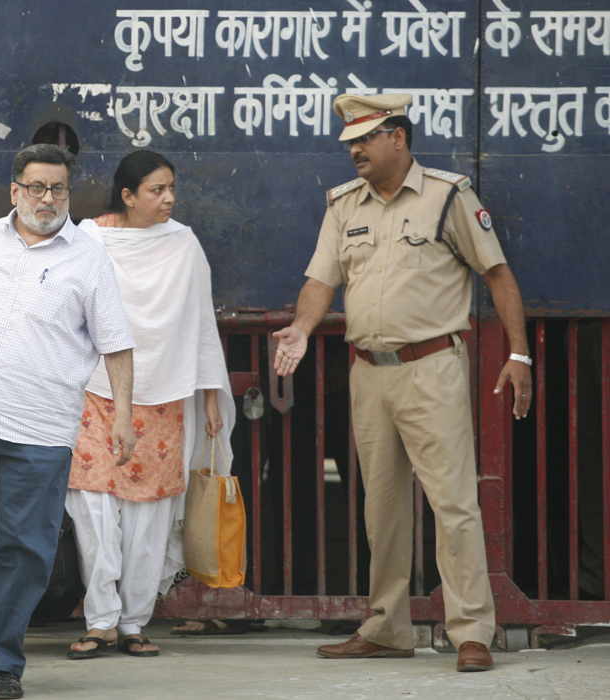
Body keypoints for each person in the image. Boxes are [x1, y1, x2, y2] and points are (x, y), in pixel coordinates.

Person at [273, 93, 532, 673]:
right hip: (369, 373)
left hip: (432, 367)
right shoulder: (343, 205)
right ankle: (387, 626)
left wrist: (519, 353)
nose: (355, 151)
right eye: (349, 143)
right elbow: (321, 279)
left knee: (453, 503)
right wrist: (300, 327)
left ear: (398, 137)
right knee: (381, 507)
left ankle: (471, 630)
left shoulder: (447, 196)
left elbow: (497, 274)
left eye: (365, 139)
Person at [0, 143, 137, 699]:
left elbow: (117, 345)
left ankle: (3, 662)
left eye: (57, 188)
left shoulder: (87, 256)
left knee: (26, 545)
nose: (47, 198)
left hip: (39, 429)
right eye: (36, 187)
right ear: (14, 191)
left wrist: (123, 417)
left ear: (68, 193)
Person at [63, 150, 235, 660]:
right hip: (96, 389)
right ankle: (100, 621)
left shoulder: (183, 243)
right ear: (128, 195)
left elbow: (201, 322)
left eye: (171, 189)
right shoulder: (89, 239)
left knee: (151, 517)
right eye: (157, 190)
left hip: (165, 394)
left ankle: (136, 621)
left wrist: (208, 396)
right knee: (93, 511)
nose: (168, 199)